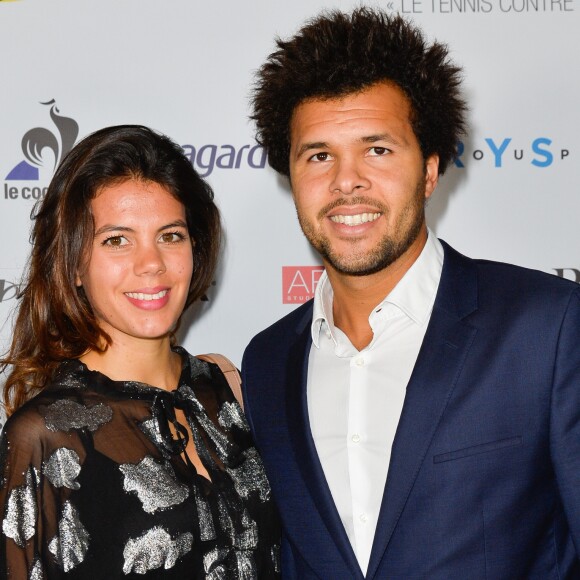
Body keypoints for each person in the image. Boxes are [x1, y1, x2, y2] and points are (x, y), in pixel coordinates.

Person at [242, 8, 580, 579]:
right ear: (292, 177)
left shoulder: (547, 328)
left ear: (429, 169)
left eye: (377, 150)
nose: (347, 181)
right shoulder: (268, 361)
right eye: (319, 155)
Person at [0, 125, 280, 579]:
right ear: (73, 264)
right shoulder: (44, 435)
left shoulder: (225, 388)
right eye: (117, 239)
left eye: (170, 235)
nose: (151, 263)